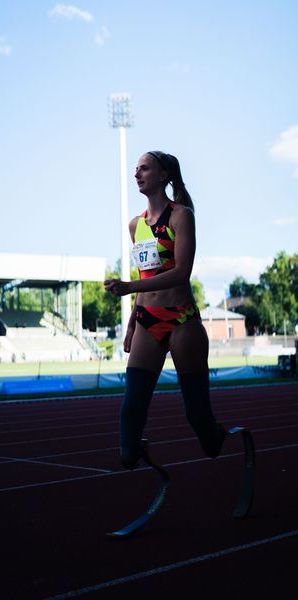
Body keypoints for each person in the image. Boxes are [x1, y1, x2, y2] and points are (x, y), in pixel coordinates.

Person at [104, 150, 228, 470]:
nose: (137, 174)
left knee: (197, 415)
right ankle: (133, 450)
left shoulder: (180, 215)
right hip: (147, 321)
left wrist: (128, 286)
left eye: (144, 168)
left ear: (163, 176)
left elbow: (180, 273)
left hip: (181, 320)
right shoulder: (136, 225)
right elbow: (148, 277)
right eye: (136, 169)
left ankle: (215, 435)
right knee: (131, 410)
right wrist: (132, 324)